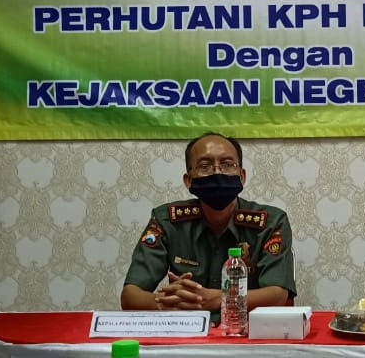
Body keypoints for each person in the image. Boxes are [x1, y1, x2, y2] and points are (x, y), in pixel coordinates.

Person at [121, 132, 296, 319]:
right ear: (188, 180)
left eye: (227, 164)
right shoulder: (167, 221)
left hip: (243, 330)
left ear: (242, 176)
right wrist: (172, 303)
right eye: (205, 166)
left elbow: (277, 294)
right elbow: (130, 296)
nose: (217, 172)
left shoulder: (270, 222)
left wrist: (220, 299)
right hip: (189, 331)